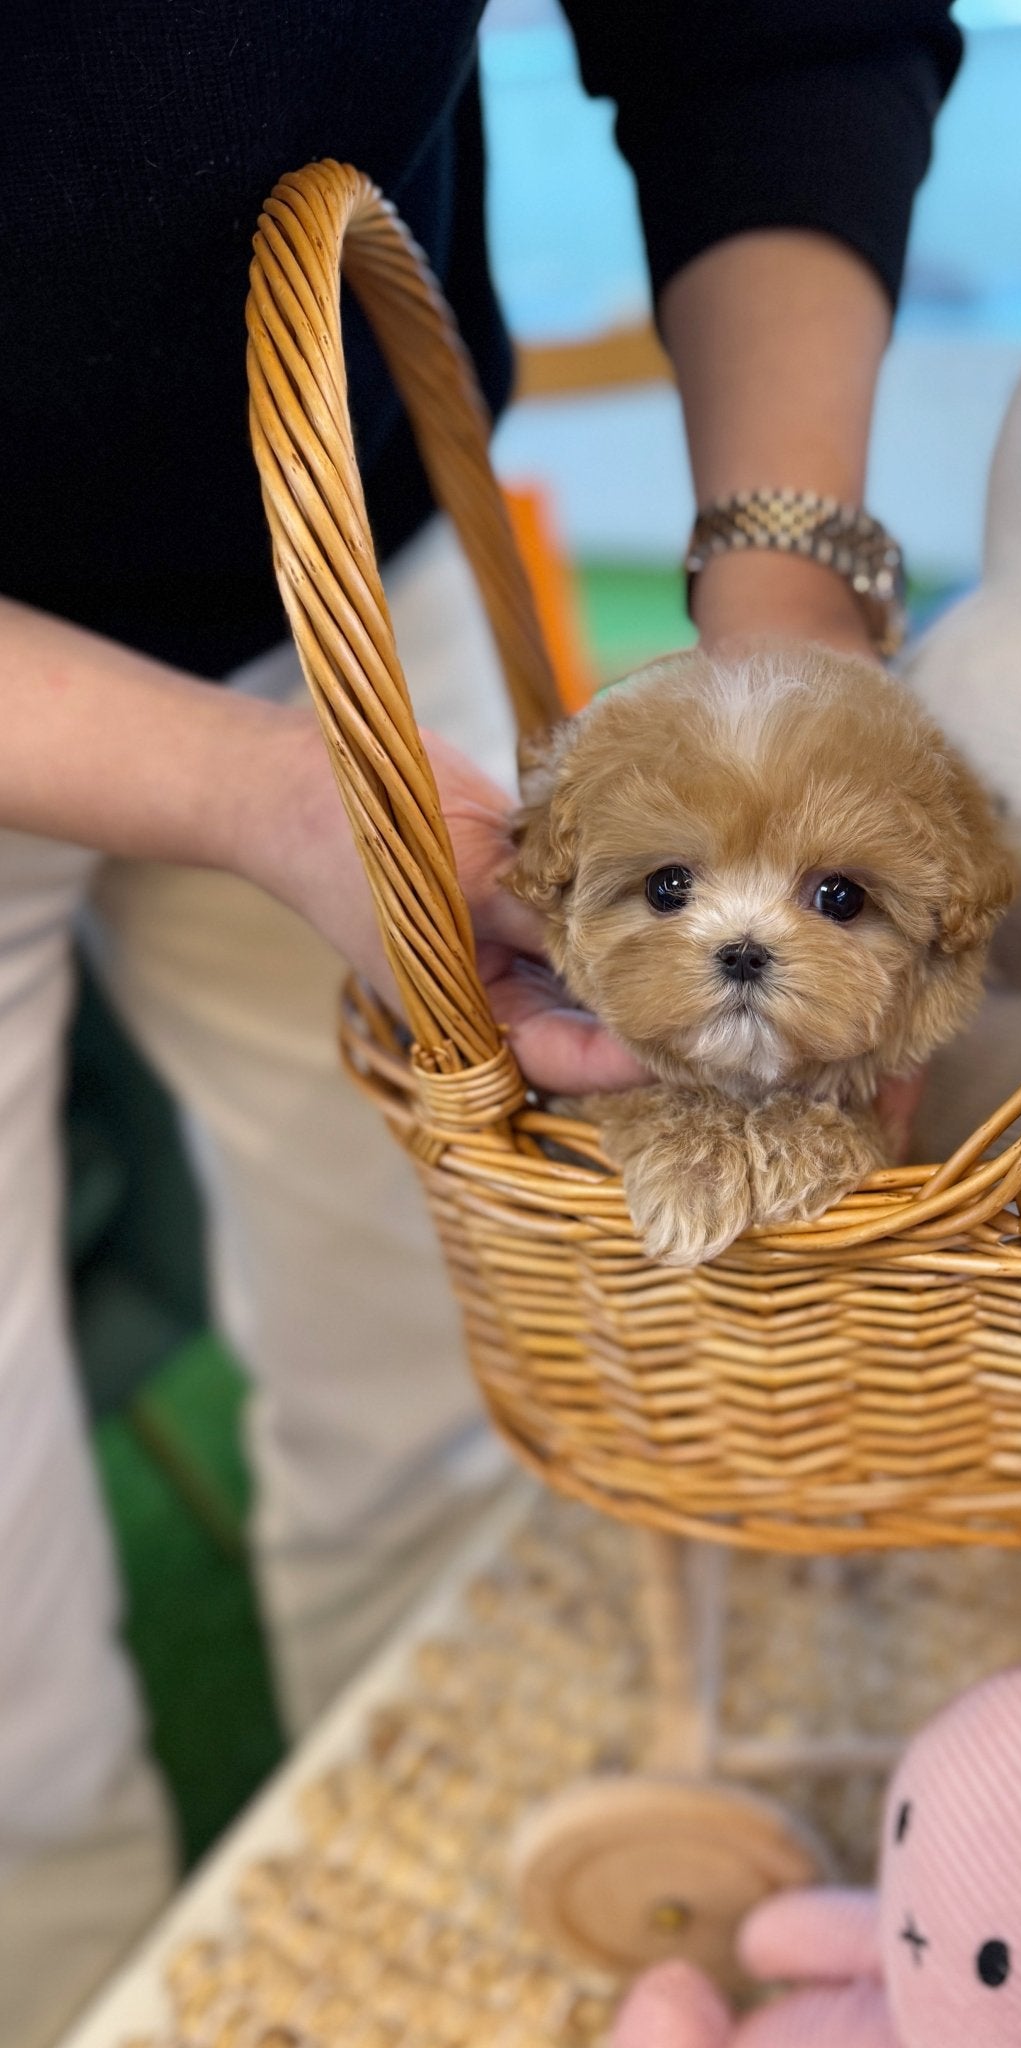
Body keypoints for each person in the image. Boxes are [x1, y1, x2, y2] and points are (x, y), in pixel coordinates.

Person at [0, 6, 960, 2041]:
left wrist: (786, 621)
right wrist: (254, 790)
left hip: (341, 529)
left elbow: (777, 35)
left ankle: (434, 1927)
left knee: (439, 1364)